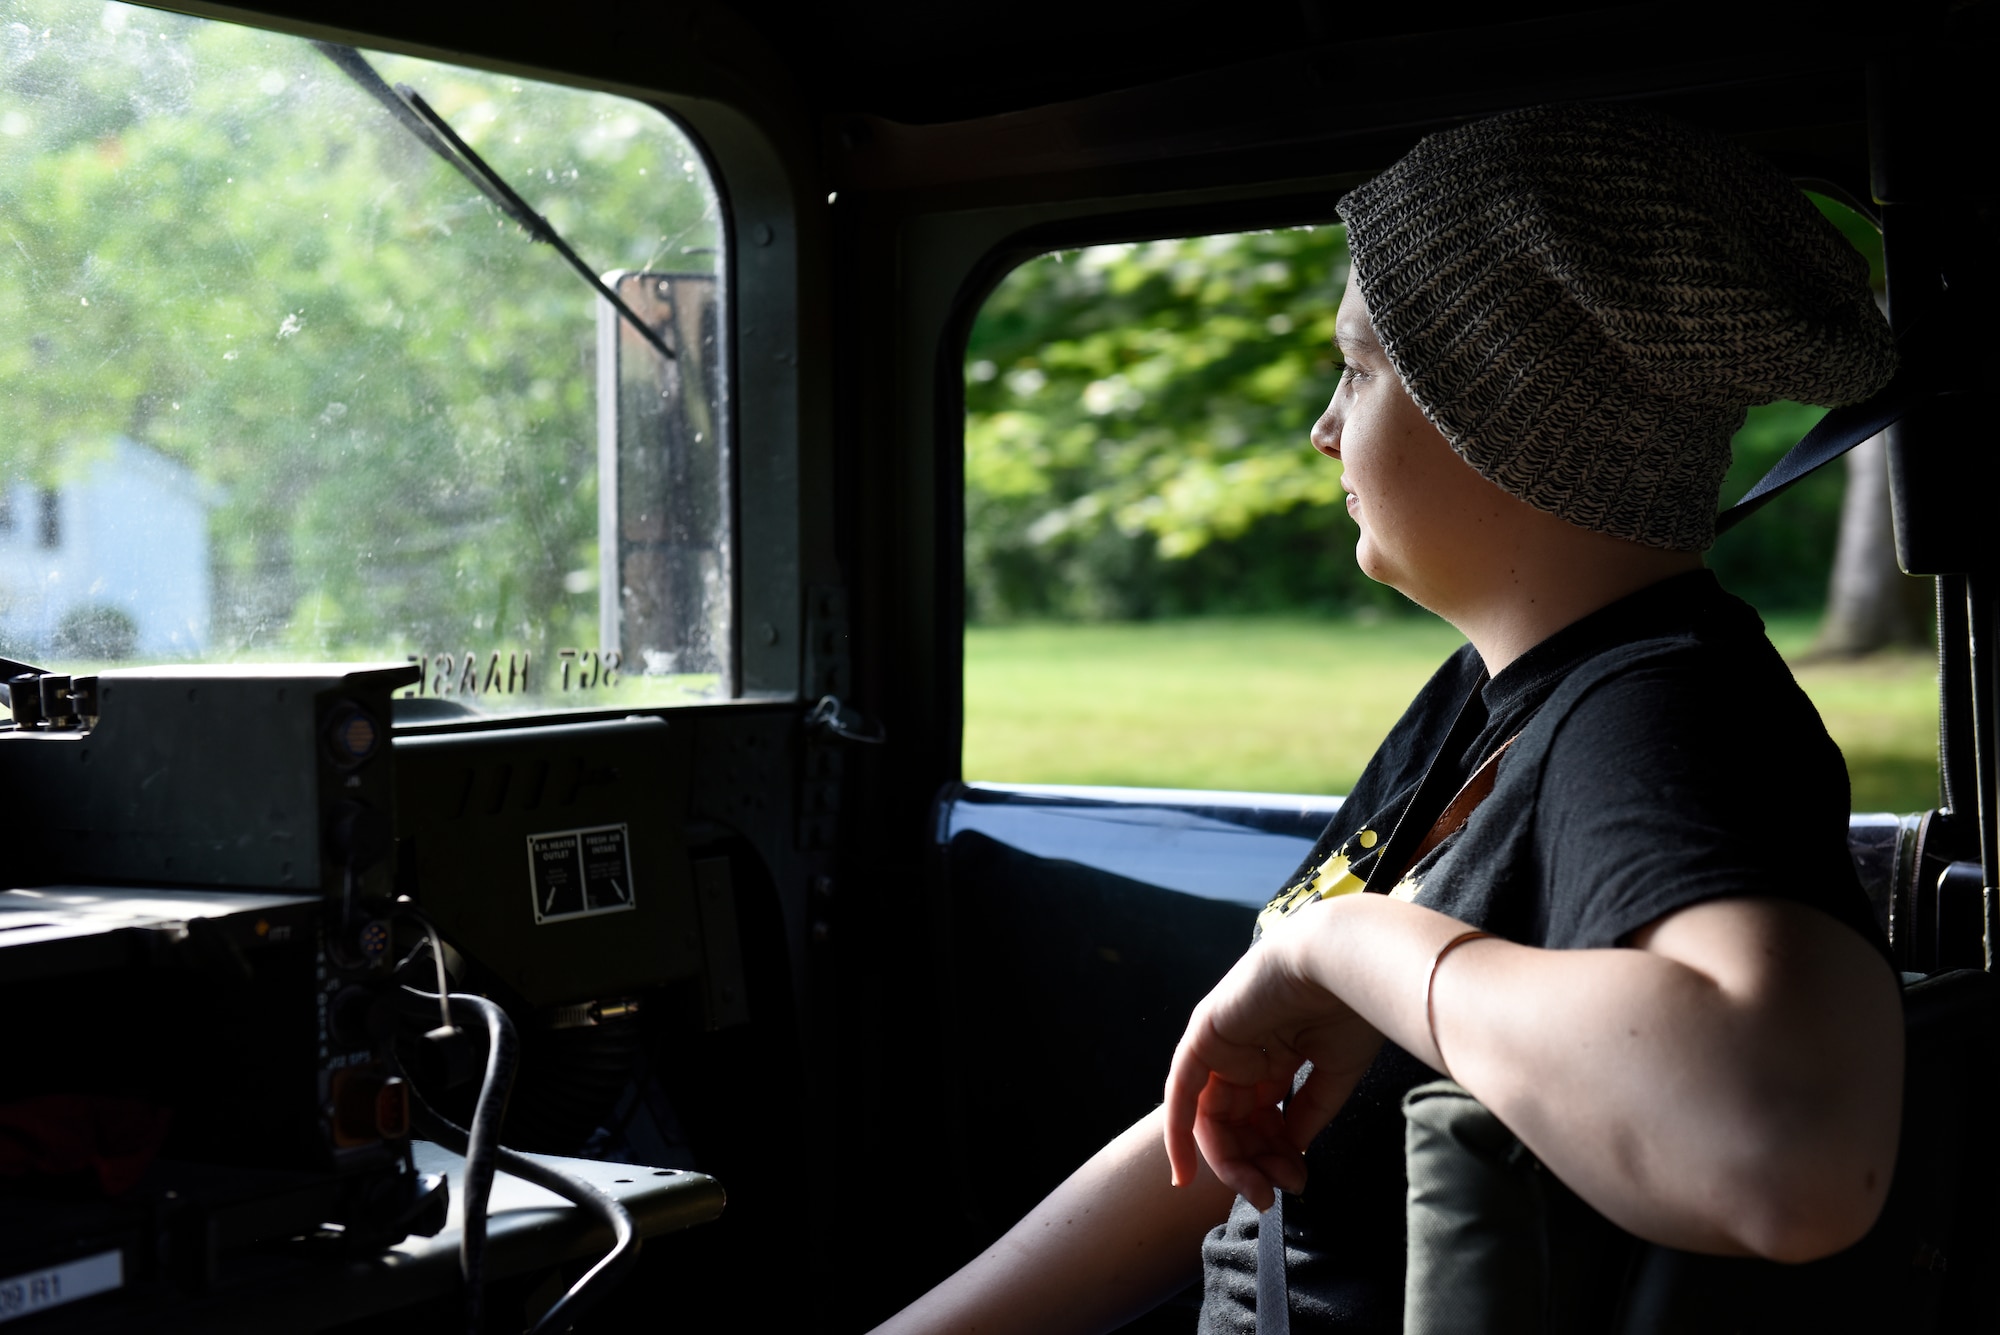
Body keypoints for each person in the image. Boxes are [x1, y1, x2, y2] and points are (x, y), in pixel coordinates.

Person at [873, 103, 1904, 1335]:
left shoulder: (1655, 716)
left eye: (1357, 369)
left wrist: (1341, 946)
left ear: (1506, 410)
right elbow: (1213, 1142)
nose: (1320, 429)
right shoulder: (1490, 699)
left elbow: (1783, 1159)